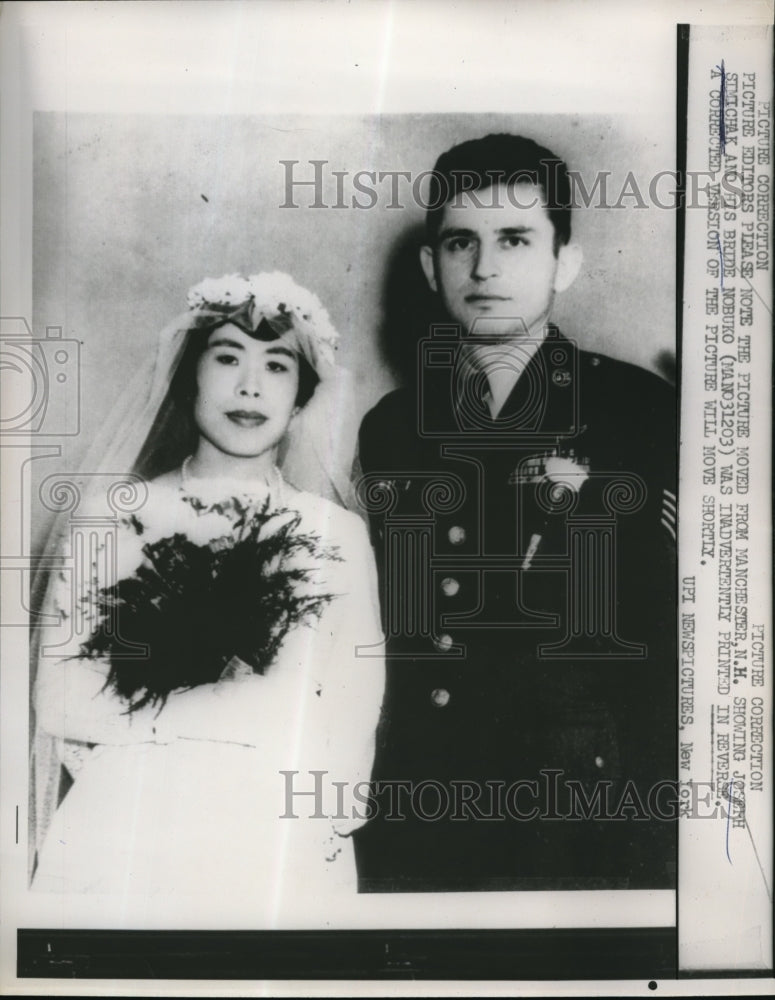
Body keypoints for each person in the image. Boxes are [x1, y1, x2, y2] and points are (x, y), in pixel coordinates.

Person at [354, 133, 677, 891]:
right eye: (460, 242)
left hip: (580, 810)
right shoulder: (393, 425)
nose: (485, 268)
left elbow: (669, 638)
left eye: (515, 239)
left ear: (564, 261)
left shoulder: (637, 409)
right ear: (432, 267)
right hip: (424, 803)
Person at [30, 272, 384, 915]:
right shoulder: (111, 517)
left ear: (302, 396)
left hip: (278, 837)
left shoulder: (336, 533)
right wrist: (220, 711)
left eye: (277, 365)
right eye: (226, 358)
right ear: (187, 376)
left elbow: (354, 715)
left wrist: (321, 829)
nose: (250, 386)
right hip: (129, 827)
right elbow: (58, 701)